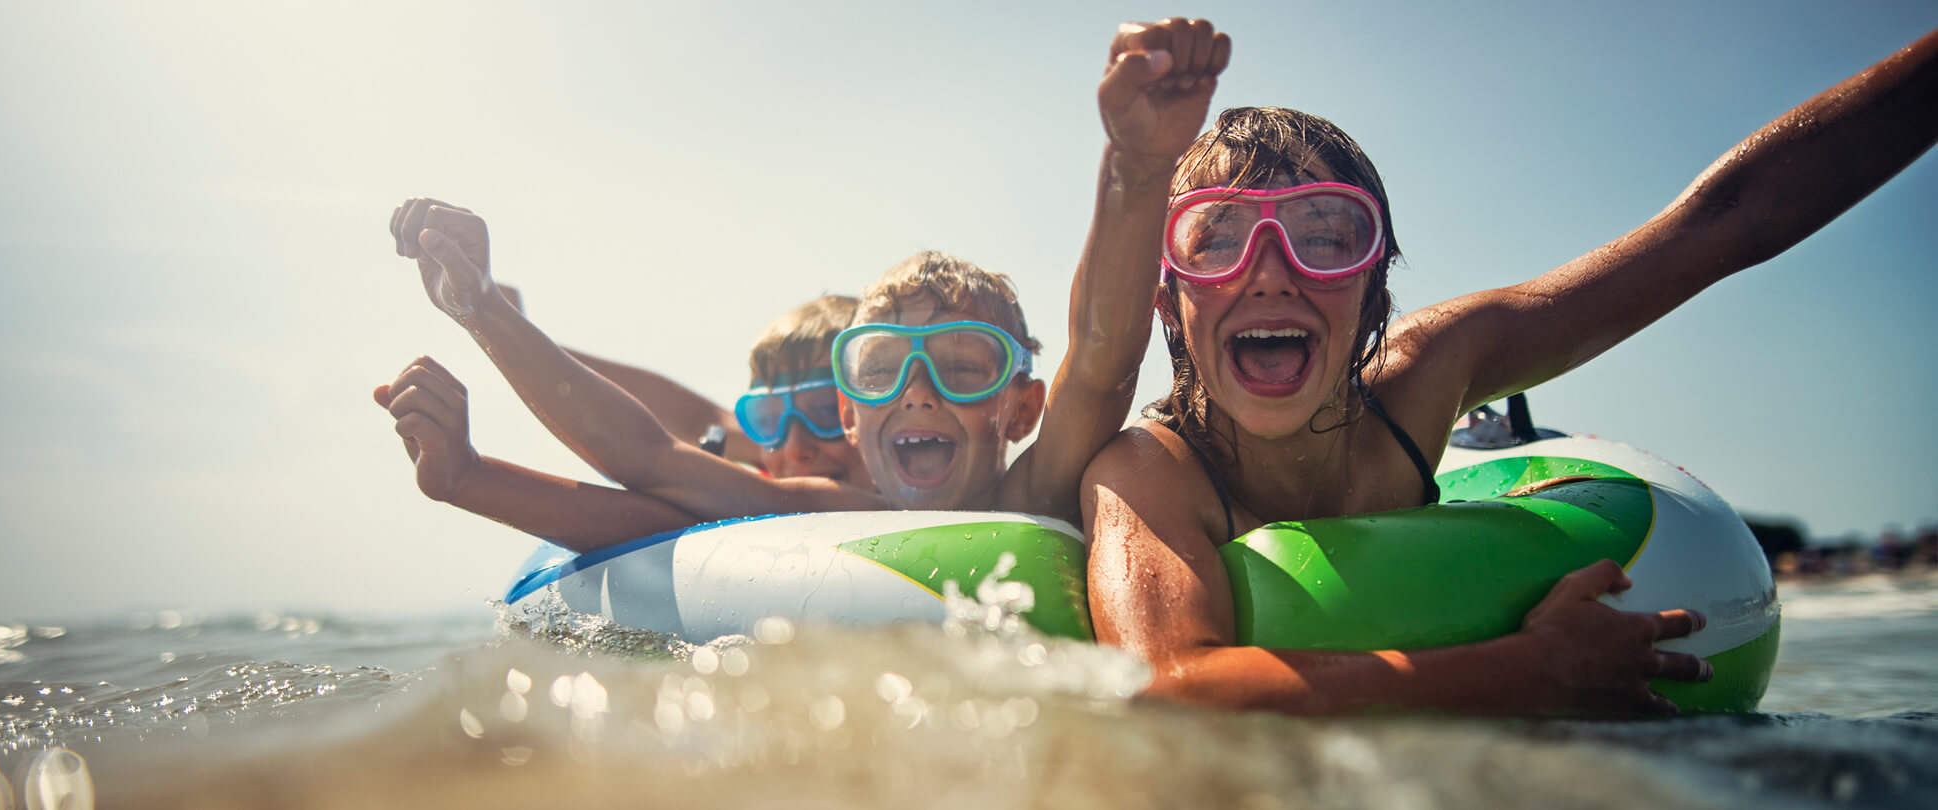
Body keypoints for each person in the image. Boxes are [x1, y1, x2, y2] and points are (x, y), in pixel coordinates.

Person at [1081, 22, 1938, 714]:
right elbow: (1169, 689)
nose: (1269, 269)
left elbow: (1717, 226)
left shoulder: (1424, 376)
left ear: (1376, 301)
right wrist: (1524, 669)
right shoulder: (1149, 472)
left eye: (1325, 235)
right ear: (1172, 310)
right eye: (1217, 238)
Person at [383, 24, 1227, 526]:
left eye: (964, 366)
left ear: (1021, 408)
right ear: (851, 414)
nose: (920, 393)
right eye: (882, 369)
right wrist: (484, 309)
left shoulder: (1031, 493)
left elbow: (1103, 354)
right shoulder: (817, 513)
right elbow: (644, 451)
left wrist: (1139, 165)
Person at [372, 295, 872, 551]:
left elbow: (655, 460)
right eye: (766, 419)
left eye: (827, 412)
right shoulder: (778, 460)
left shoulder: (870, 498)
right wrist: (522, 340)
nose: (795, 447)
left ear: (865, 415)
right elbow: (698, 418)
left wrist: (492, 317)